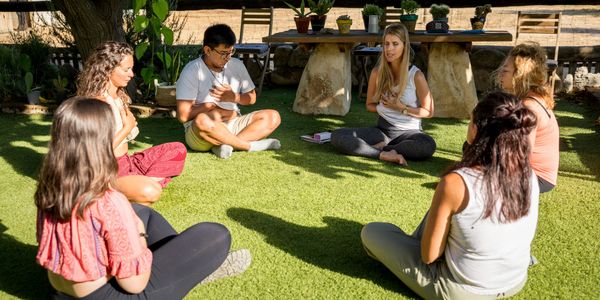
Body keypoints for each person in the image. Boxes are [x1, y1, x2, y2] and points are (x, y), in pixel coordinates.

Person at [35, 98, 250, 299]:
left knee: (142, 211)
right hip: (114, 295)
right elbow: (134, 285)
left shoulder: (50, 188)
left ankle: (187, 268)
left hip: (61, 291)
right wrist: (136, 232)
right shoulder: (109, 203)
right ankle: (190, 271)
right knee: (216, 235)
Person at [361, 91, 540, 299]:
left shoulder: (457, 183)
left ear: (475, 130)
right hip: (515, 281)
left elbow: (429, 257)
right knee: (446, 213)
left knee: (372, 232)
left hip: (462, 291)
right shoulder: (529, 174)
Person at [77, 41, 187, 204]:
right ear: (108, 69)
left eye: (131, 68)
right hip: (108, 171)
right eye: (126, 69)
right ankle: (134, 189)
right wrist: (127, 128)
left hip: (128, 162)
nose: (132, 74)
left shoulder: (119, 97)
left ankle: (136, 186)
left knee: (177, 149)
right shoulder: (96, 104)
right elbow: (95, 153)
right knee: (150, 192)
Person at [330, 23, 436, 165]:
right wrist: (385, 106)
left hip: (409, 133)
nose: (389, 49)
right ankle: (383, 154)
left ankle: (384, 149)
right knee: (338, 136)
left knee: (427, 145)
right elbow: (369, 105)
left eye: (395, 44)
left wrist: (400, 108)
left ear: (404, 45)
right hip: (382, 131)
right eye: (386, 44)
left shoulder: (416, 75)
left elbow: (428, 112)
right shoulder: (377, 73)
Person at [176, 23, 281, 159]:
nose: (228, 57)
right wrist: (213, 107)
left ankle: (226, 145)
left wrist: (235, 97)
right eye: (223, 53)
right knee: (202, 120)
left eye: (231, 52)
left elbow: (252, 97)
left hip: (233, 122)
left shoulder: (236, 65)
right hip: (203, 130)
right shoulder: (192, 71)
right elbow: (183, 116)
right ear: (207, 50)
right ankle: (249, 146)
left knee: (273, 117)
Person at [496, 42, 559, 193]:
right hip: (533, 173)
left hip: (537, 177)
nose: (500, 74)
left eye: (505, 70)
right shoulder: (534, 98)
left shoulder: (529, 107)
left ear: (520, 75)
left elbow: (522, 154)